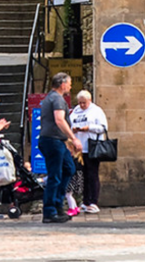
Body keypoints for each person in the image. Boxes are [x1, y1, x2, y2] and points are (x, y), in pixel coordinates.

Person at [38, 72, 82, 224]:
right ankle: (50, 211)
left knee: (68, 168)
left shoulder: (51, 98)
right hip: (53, 141)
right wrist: (74, 138)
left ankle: (57, 205)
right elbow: (59, 120)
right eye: (69, 83)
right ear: (62, 84)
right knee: (55, 175)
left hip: (56, 141)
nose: (70, 86)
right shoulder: (57, 99)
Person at [70, 90, 108, 214]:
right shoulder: (75, 111)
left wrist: (88, 128)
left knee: (92, 174)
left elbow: (103, 127)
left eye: (84, 103)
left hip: (92, 146)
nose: (81, 105)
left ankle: (93, 201)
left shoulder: (96, 111)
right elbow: (70, 124)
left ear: (89, 101)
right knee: (82, 175)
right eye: (79, 103)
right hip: (79, 148)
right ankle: (85, 201)